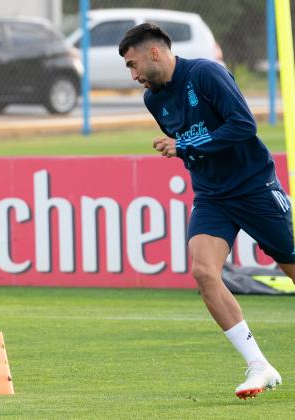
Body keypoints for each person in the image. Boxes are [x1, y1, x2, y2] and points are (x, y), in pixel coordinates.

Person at [119, 23, 287, 399]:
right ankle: (259, 365)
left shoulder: (206, 73)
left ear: (155, 53)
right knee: (203, 272)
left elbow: (243, 126)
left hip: (254, 188)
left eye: (134, 65)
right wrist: (186, 148)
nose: (133, 76)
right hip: (212, 196)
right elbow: (191, 146)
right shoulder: (154, 100)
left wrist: (185, 144)